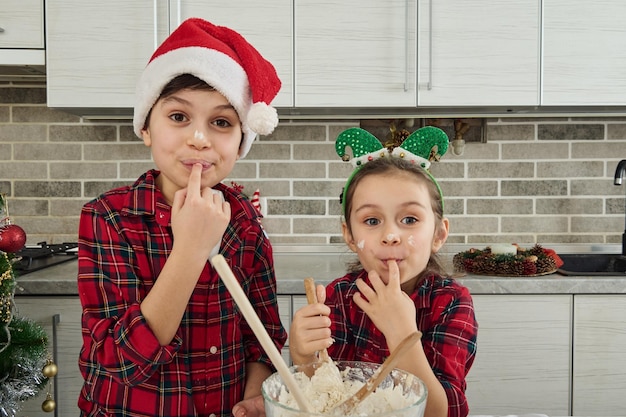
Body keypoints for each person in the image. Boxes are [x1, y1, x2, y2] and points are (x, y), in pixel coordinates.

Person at [77, 18, 287, 417]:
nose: (199, 138)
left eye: (221, 122)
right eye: (178, 117)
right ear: (146, 128)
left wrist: (256, 395)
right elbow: (120, 360)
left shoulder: (244, 222)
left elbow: (263, 337)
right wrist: (190, 250)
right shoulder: (108, 218)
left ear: (241, 140)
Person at [288, 127, 479, 417]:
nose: (390, 235)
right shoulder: (338, 297)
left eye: (410, 219)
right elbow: (326, 398)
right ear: (350, 235)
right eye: (372, 220)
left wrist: (402, 335)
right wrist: (303, 355)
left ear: (439, 234)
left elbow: (444, 411)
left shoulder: (451, 303)